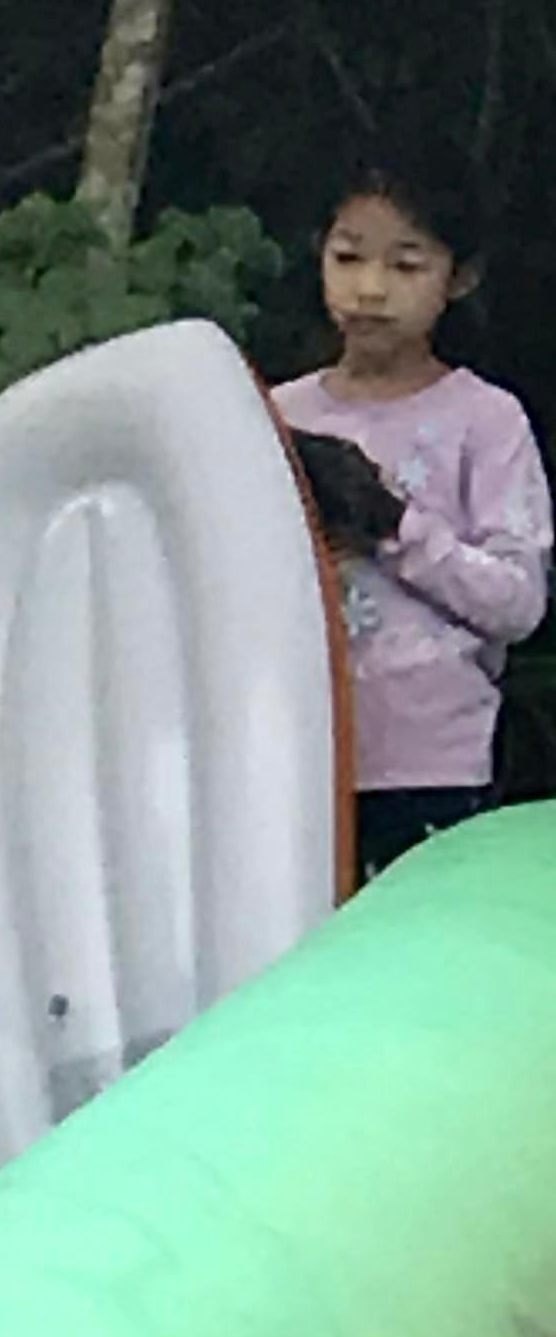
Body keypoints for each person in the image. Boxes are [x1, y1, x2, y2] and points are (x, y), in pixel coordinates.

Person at [274, 161, 550, 879]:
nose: (370, 288)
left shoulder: (485, 419)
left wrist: (395, 526)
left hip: (432, 765)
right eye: (348, 258)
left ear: (460, 278)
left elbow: (518, 602)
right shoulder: (276, 415)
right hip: (291, 755)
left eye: (405, 265)